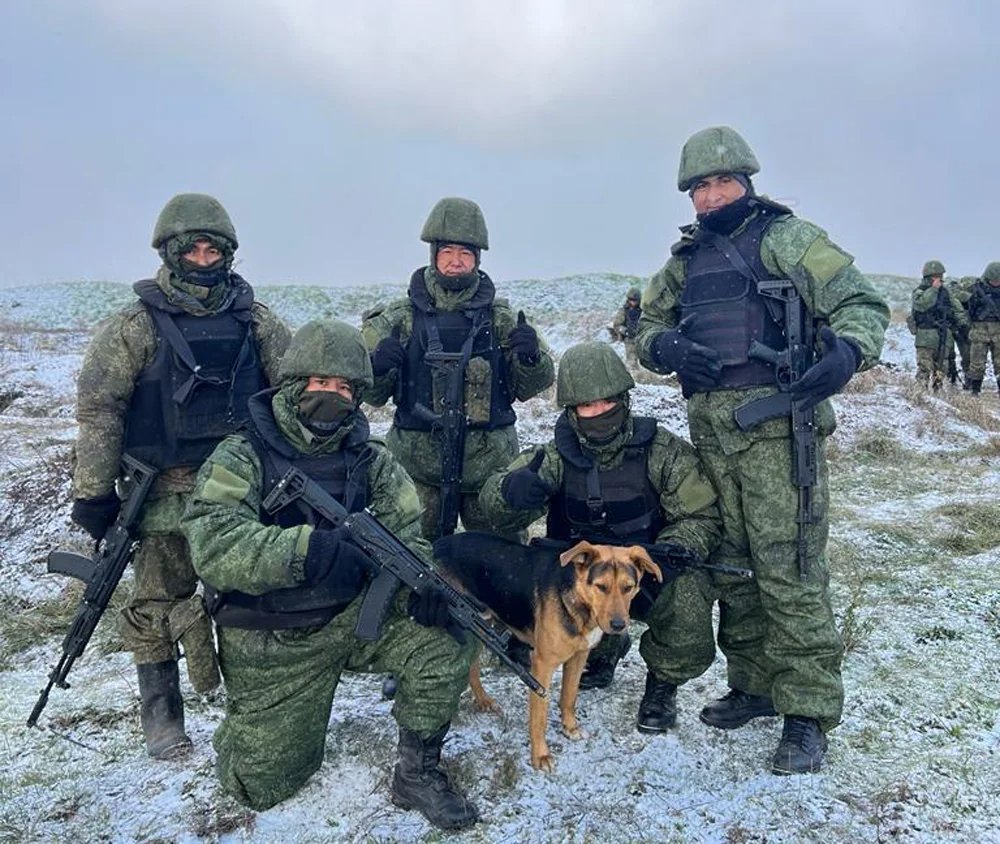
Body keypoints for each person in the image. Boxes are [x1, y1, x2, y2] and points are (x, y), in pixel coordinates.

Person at [635, 126, 888, 774]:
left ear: (747, 183)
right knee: (729, 563)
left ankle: (806, 715)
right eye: (702, 186)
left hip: (777, 432)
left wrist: (847, 352)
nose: (715, 194)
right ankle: (753, 686)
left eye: (725, 182)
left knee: (790, 567)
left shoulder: (786, 238)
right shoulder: (684, 263)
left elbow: (861, 300)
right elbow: (646, 324)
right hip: (709, 434)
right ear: (690, 196)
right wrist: (662, 348)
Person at [179, 320, 479, 830]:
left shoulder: (374, 463)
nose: (332, 395)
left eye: (344, 388)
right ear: (294, 384)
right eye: (321, 383)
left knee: (446, 634)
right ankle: (249, 721)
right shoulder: (241, 455)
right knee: (261, 786)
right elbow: (213, 542)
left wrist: (428, 584)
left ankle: (416, 772)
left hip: (355, 618)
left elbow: (409, 535)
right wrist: (307, 551)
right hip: (272, 640)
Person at [70, 193, 290, 759]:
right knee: (157, 602)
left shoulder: (258, 323)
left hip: (241, 493)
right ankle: (162, 715)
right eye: (189, 247)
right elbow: (101, 409)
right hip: (160, 491)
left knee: (247, 596)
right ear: (169, 252)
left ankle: (253, 702)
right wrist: (92, 492)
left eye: (210, 247)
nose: (201, 256)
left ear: (227, 254)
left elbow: (291, 397)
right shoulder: (132, 328)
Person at [478, 342, 722, 728]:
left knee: (690, 593)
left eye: (606, 402)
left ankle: (662, 684)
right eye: (585, 407)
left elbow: (701, 514)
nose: (597, 413)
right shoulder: (555, 457)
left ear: (624, 399)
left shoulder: (662, 452)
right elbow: (493, 500)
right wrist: (510, 492)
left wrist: (676, 548)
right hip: (578, 584)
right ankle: (599, 651)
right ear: (571, 412)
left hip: (643, 574)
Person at [360, 197, 554, 542]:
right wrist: (375, 367)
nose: (455, 262)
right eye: (447, 252)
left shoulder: (503, 318)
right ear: (433, 256)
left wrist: (530, 359)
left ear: (477, 260)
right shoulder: (399, 318)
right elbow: (370, 395)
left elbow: (533, 386)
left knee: (502, 566)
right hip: (417, 469)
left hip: (488, 468)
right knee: (408, 560)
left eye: (465, 254)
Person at [909, 260, 968, 390]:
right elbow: (922, 305)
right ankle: (920, 393)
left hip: (943, 333)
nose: (940, 279)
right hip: (925, 334)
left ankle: (938, 391)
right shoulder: (919, 291)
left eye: (941, 276)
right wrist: (933, 290)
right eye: (937, 276)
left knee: (942, 366)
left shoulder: (945, 292)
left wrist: (963, 325)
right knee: (924, 366)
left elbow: (957, 308)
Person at [965, 262, 1000, 394]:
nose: (996, 282)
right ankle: (975, 390)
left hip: (998, 331)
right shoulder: (976, 290)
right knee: (977, 363)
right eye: (994, 280)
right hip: (979, 330)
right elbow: (968, 309)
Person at [609, 287, 643, 363]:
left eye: (635, 300)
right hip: (630, 340)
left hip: (642, 339)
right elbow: (617, 325)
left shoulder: (644, 309)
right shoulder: (624, 310)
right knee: (631, 362)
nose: (633, 302)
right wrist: (626, 331)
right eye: (631, 300)